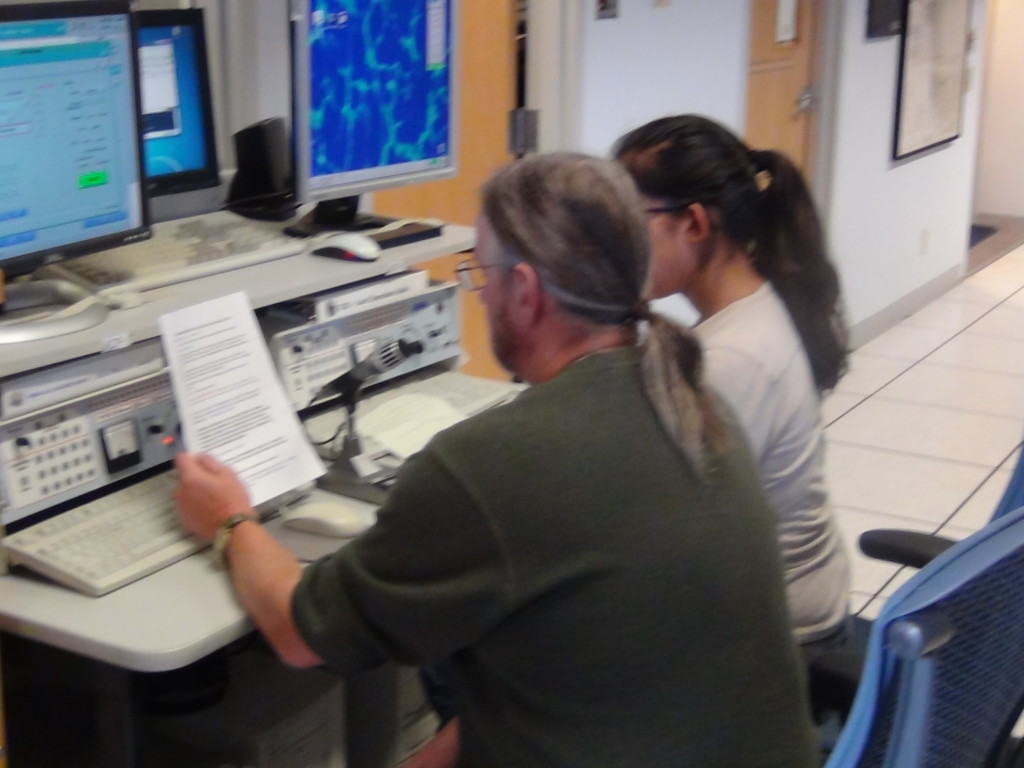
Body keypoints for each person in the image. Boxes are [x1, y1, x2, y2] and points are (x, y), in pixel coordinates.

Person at [174, 153, 817, 768]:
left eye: (481, 274)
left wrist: (230, 521)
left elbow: (297, 634)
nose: (478, 297)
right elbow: (555, 678)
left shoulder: (490, 465)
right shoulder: (695, 402)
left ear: (526, 291)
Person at [615, 115, 851, 645]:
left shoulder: (732, 358)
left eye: (629, 220)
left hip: (779, 634)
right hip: (786, 597)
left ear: (694, 224)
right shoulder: (761, 303)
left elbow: (661, 531)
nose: (618, 243)